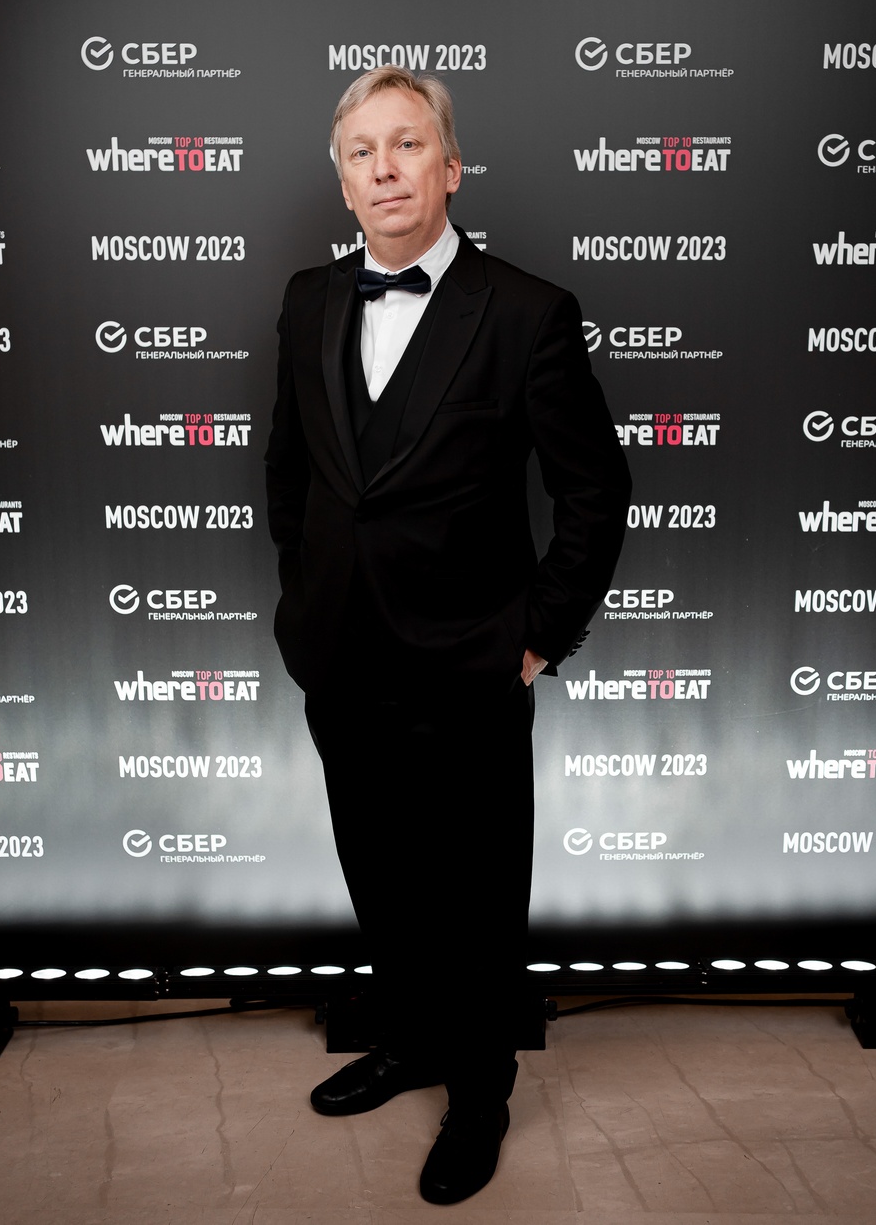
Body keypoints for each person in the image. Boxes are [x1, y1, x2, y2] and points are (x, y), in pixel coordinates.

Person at [265, 65, 630, 1204]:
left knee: (474, 900)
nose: (385, 168)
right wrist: (303, 602)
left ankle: (480, 1093)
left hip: (471, 664)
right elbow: (291, 475)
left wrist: (538, 636)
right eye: (362, 152)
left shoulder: (526, 311)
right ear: (342, 182)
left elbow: (596, 492)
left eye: (408, 144)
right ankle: (415, 1038)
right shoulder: (309, 300)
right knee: (382, 877)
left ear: (451, 166)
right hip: (339, 660)